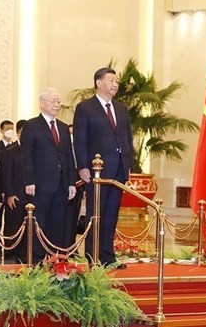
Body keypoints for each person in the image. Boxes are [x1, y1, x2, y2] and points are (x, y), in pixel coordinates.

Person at [73, 67, 133, 268]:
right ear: (98, 83)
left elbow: (127, 138)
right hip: (96, 171)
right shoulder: (85, 108)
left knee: (111, 214)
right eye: (111, 80)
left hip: (118, 170)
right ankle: (93, 256)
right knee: (95, 213)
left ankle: (108, 257)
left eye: (116, 81)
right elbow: (80, 139)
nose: (115, 84)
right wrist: (82, 166)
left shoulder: (121, 109)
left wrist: (128, 165)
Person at [21, 88, 76, 263]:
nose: (57, 105)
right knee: (40, 223)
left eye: (59, 101)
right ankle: (36, 261)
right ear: (42, 103)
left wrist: (71, 183)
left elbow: (68, 156)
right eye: (53, 101)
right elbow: (26, 156)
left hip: (61, 185)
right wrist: (29, 181)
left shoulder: (63, 127)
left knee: (58, 224)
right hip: (40, 184)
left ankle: (56, 261)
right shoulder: (31, 126)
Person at [2, 119, 27, 263]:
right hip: (15, 195)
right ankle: (10, 254)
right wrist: (10, 194)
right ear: (18, 133)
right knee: (13, 225)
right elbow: (7, 175)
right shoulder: (10, 152)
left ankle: (24, 254)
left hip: (31, 196)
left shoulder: (34, 151)